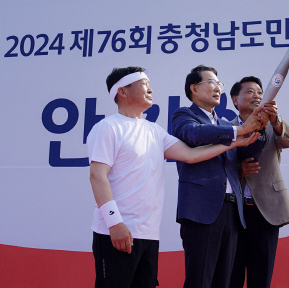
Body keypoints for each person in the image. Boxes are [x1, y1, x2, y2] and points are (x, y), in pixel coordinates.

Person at [87, 66, 259, 288]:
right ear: (123, 91)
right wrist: (114, 223)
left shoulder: (154, 131)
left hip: (148, 234)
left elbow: (190, 155)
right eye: (144, 85)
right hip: (117, 230)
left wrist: (234, 143)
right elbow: (97, 177)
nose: (150, 89)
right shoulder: (107, 128)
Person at [170, 65, 268, 288]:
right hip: (201, 211)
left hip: (232, 212)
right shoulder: (184, 116)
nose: (218, 88)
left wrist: (259, 127)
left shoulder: (225, 124)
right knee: (200, 280)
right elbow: (194, 135)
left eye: (219, 84)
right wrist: (239, 131)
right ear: (194, 88)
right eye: (212, 83)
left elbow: (245, 153)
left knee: (224, 281)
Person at [228, 76, 289, 288]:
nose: (256, 96)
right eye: (249, 92)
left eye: (259, 92)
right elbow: (220, 165)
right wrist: (237, 171)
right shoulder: (226, 130)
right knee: (232, 274)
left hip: (265, 210)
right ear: (235, 100)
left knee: (261, 275)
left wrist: (275, 120)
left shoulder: (272, 126)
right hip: (234, 212)